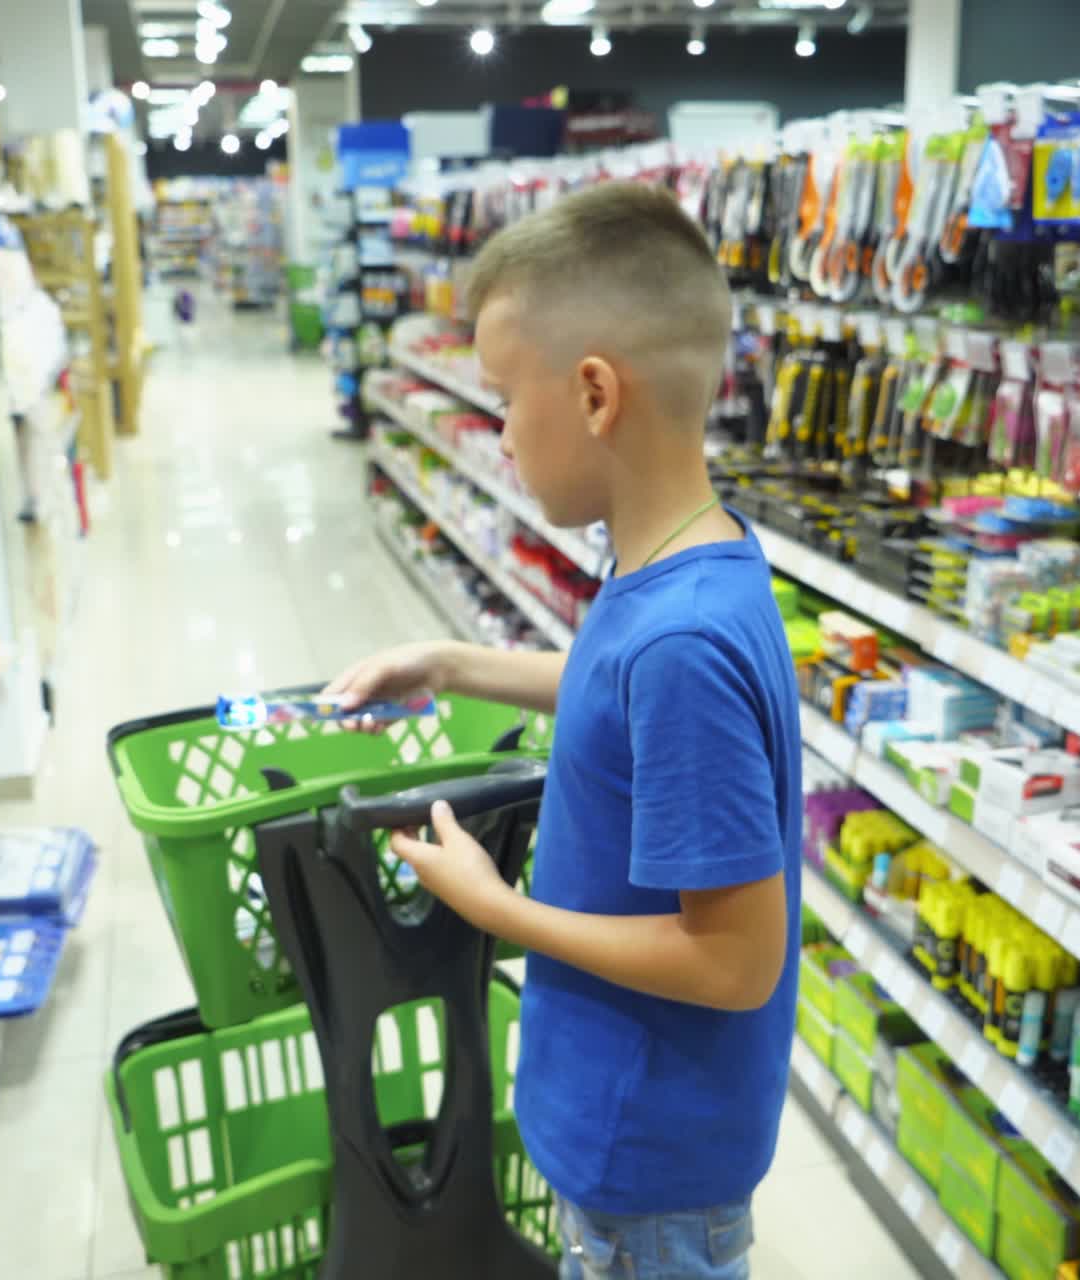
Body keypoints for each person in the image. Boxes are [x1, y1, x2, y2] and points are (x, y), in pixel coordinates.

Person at [326, 182, 802, 1280]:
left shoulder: (680, 639)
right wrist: (448, 662)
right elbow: (605, 692)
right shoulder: (676, 559)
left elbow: (736, 956)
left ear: (593, 393)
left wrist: (500, 909)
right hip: (632, 1123)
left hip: (652, 1168)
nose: (493, 432)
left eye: (501, 397)